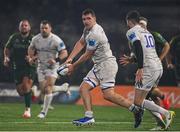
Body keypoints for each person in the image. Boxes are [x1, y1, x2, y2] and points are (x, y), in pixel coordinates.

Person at [65, 8, 143, 127]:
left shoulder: (95, 33)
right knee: (83, 88)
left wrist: (73, 67)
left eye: (88, 18)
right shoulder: (87, 29)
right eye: (84, 19)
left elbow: (87, 55)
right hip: (99, 65)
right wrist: (70, 58)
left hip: (107, 65)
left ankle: (136, 109)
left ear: (94, 19)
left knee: (108, 95)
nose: (86, 21)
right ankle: (89, 117)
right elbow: (81, 42)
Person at [124, 10, 175, 130]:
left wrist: (140, 68)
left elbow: (137, 46)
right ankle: (161, 124)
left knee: (138, 102)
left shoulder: (131, 31)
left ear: (129, 21)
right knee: (147, 97)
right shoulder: (147, 32)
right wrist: (134, 60)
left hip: (148, 68)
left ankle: (167, 114)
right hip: (158, 67)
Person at [28, 20, 68, 118]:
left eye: (46, 28)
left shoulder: (56, 40)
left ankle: (43, 112)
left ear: (50, 29)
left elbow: (64, 53)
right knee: (43, 90)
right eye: (42, 28)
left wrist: (56, 59)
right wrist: (31, 57)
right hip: (41, 66)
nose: (44, 30)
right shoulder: (36, 39)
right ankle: (63, 88)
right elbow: (31, 48)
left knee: (48, 88)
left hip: (52, 67)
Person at [3, 19, 36, 118]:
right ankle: (31, 91)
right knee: (21, 92)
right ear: (19, 27)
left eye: (26, 25)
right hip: (17, 66)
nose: (24, 27)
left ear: (29, 27)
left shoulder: (34, 38)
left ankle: (27, 110)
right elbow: (7, 48)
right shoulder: (14, 37)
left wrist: (32, 58)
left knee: (26, 86)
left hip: (29, 66)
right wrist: (6, 57)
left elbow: (39, 52)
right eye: (22, 25)